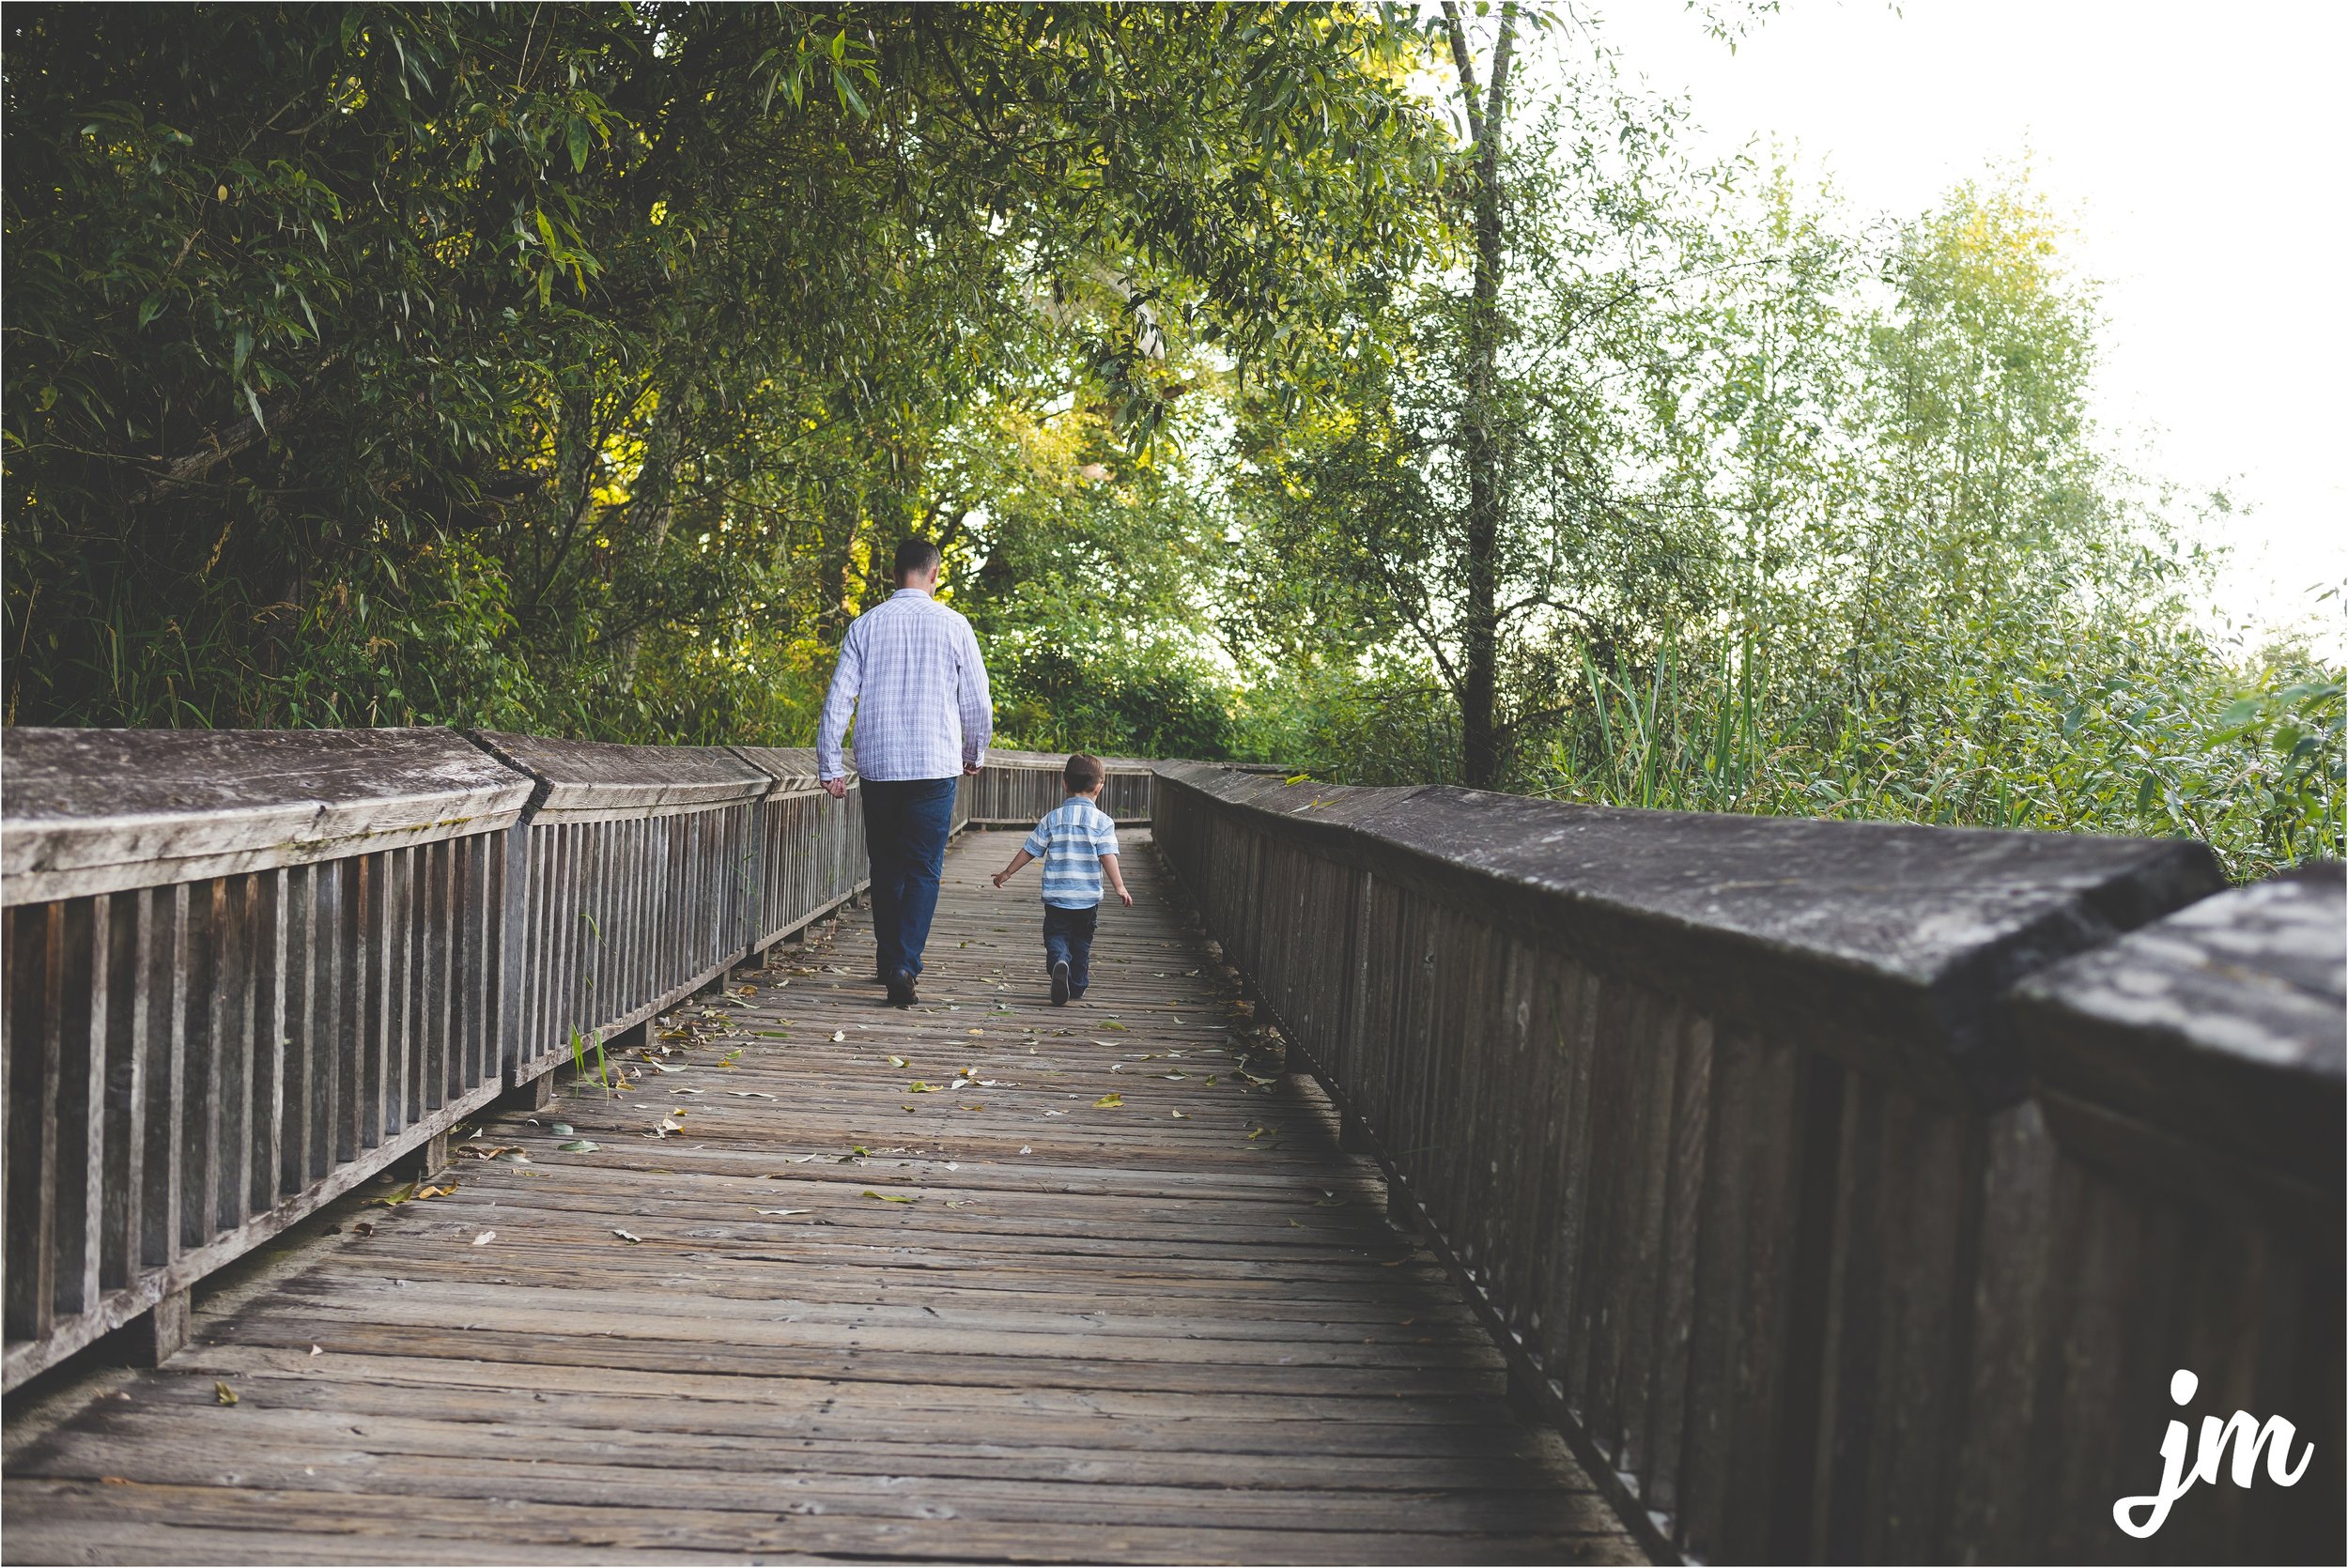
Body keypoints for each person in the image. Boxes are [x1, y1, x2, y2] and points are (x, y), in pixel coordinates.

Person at [816, 537, 993, 1007]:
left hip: (880, 767)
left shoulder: (866, 625)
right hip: (935, 765)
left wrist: (830, 765)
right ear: (935, 574)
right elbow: (977, 702)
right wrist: (973, 752)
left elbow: (839, 700)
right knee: (923, 869)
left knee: (886, 867)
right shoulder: (955, 625)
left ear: (895, 575)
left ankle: (889, 959)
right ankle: (903, 963)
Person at [990, 753, 1132, 1005]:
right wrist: (1119, 886)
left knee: (1056, 936)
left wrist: (1007, 872)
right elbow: (1107, 855)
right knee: (1082, 941)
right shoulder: (1103, 822)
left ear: (1064, 783)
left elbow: (1030, 850)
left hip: (1057, 898)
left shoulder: (1052, 818)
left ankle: (1059, 962)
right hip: (1087, 900)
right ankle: (1076, 985)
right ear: (1100, 786)